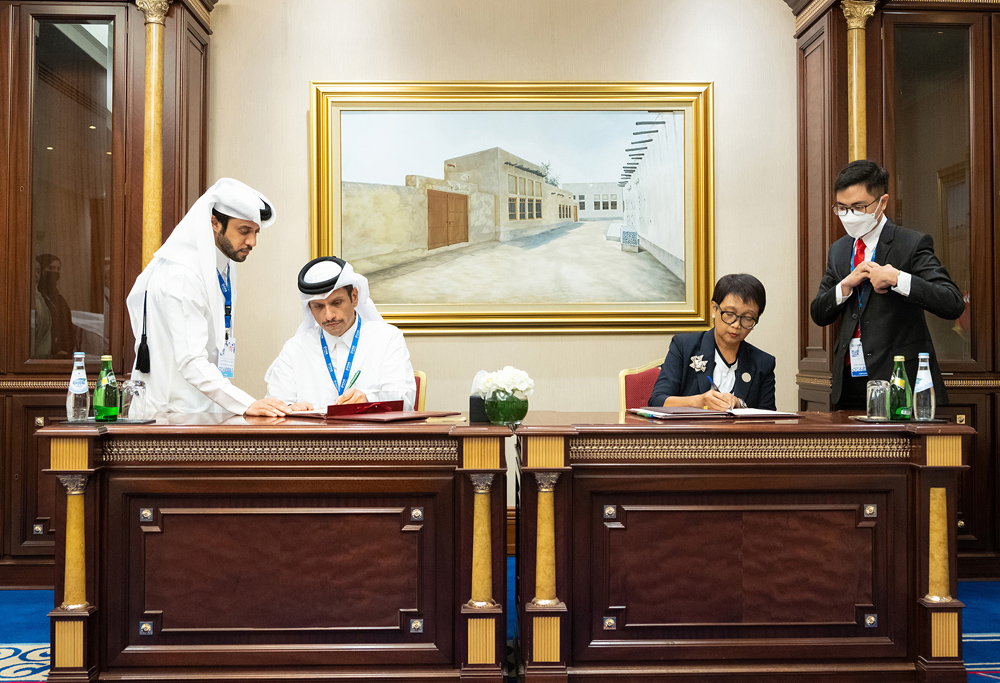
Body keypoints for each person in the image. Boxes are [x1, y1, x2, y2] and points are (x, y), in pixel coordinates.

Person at [126, 178, 300, 417]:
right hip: (171, 415)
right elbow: (190, 360)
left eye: (256, 232)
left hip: (205, 410)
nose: (253, 242)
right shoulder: (182, 275)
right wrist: (247, 404)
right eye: (244, 231)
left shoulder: (223, 266)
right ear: (215, 223)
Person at [810, 160, 964, 410]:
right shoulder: (838, 250)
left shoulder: (911, 243)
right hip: (850, 383)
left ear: (882, 202)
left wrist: (898, 279)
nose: (849, 216)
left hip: (898, 380)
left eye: (858, 207)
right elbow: (818, 312)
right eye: (842, 208)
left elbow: (952, 302)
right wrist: (845, 286)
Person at [265, 256, 417, 410]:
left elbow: (405, 400)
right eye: (318, 306)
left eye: (336, 303)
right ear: (309, 308)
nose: (329, 315)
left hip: (369, 434)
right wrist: (290, 409)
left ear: (354, 297)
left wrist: (368, 400)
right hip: (313, 433)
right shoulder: (294, 349)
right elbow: (275, 405)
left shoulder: (387, 338)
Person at [649, 273, 776, 410]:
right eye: (729, 314)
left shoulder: (763, 363)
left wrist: (741, 405)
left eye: (747, 318)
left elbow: (768, 418)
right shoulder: (684, 346)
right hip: (691, 430)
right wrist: (700, 400)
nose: (736, 325)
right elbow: (657, 401)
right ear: (714, 308)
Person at [33, 254, 76, 357]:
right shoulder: (36, 297)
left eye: (58, 269)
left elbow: (67, 327)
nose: (55, 272)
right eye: (51, 268)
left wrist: (65, 349)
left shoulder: (58, 298)